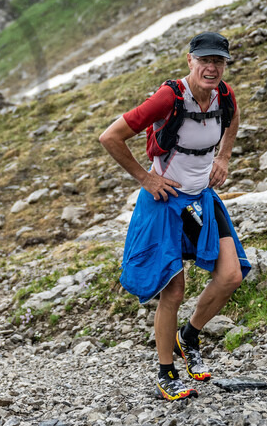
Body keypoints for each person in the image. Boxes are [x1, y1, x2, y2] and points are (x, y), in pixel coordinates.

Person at [99, 31, 250, 401]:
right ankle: (165, 372)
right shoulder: (170, 97)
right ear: (190, 61)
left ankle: (191, 335)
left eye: (218, 62)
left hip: (202, 196)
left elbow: (232, 119)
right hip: (165, 199)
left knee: (230, 275)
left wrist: (224, 157)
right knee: (174, 289)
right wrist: (146, 177)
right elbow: (110, 137)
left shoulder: (224, 95)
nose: (211, 68)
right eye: (205, 61)